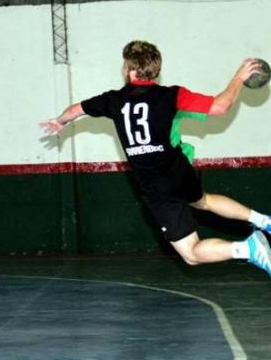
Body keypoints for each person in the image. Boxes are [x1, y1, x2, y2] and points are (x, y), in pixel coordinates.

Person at [41, 40, 271, 277]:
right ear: (156, 71)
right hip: (180, 170)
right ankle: (263, 220)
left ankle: (248, 249)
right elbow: (221, 106)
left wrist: (59, 121)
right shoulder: (172, 95)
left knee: (191, 254)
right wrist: (238, 78)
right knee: (202, 201)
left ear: (128, 69)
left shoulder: (113, 100)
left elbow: (74, 110)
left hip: (157, 186)